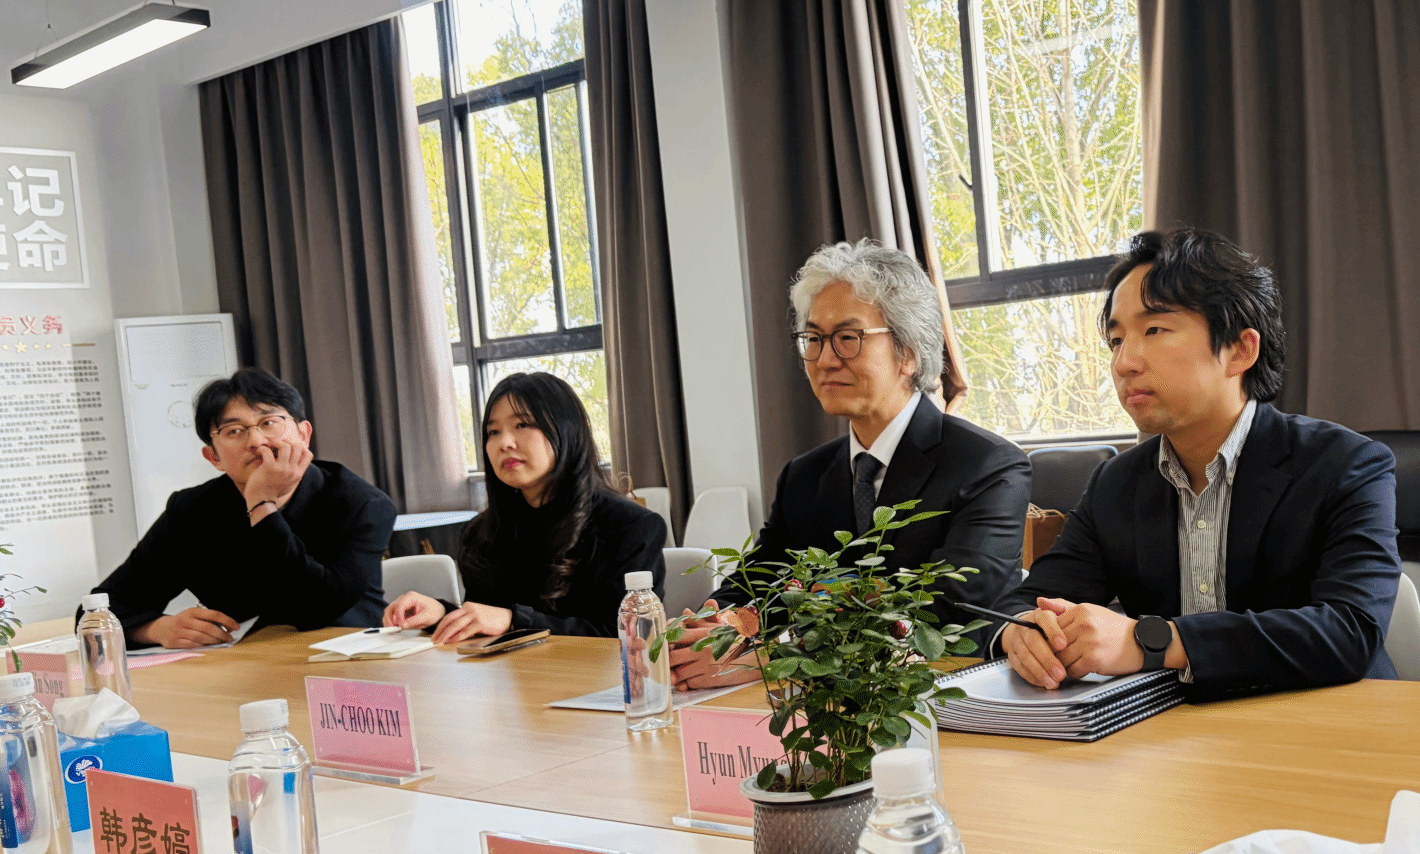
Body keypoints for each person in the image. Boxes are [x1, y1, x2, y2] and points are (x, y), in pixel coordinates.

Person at [994, 228, 1402, 700]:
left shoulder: (1346, 464)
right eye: (1116, 340)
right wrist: (1021, 631)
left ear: (1240, 350)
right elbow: (1028, 599)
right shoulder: (1115, 482)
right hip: (1177, 730)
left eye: (1154, 330)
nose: (1124, 363)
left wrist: (1152, 641)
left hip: (1330, 721)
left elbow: (1350, 630)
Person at [668, 240, 1030, 689]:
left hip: (947, 699)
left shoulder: (989, 466)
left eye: (847, 339)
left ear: (909, 351)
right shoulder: (803, 476)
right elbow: (758, 582)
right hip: (817, 706)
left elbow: (944, 613)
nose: (824, 360)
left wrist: (764, 658)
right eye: (814, 339)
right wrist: (711, 629)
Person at [92, 368, 396, 645]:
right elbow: (98, 610)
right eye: (234, 431)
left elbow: (315, 608)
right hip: (242, 668)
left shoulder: (362, 504)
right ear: (213, 457)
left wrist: (261, 504)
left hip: (346, 663)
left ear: (304, 434)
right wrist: (156, 629)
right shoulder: (191, 511)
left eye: (269, 423)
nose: (256, 441)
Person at [384, 371, 664, 642]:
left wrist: (515, 620)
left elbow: (624, 636)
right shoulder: (482, 532)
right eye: (493, 432)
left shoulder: (631, 527)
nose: (504, 443)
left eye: (522, 425)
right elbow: (487, 621)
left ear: (567, 430)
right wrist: (441, 614)